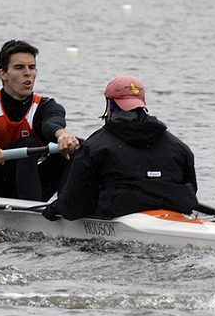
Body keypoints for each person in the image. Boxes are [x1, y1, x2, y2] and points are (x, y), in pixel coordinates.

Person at [42, 76, 198, 221]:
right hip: (170, 215)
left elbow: (74, 207)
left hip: (120, 213)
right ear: (142, 104)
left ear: (110, 104)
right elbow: (193, 188)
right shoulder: (179, 148)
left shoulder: (96, 146)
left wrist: (56, 208)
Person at [0, 39, 79, 201]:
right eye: (19, 67)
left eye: (32, 67)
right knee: (27, 143)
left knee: (74, 146)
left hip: (23, 182)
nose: (27, 73)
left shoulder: (46, 106)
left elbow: (51, 124)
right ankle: (32, 213)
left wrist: (62, 134)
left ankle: (68, 206)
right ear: (3, 73)